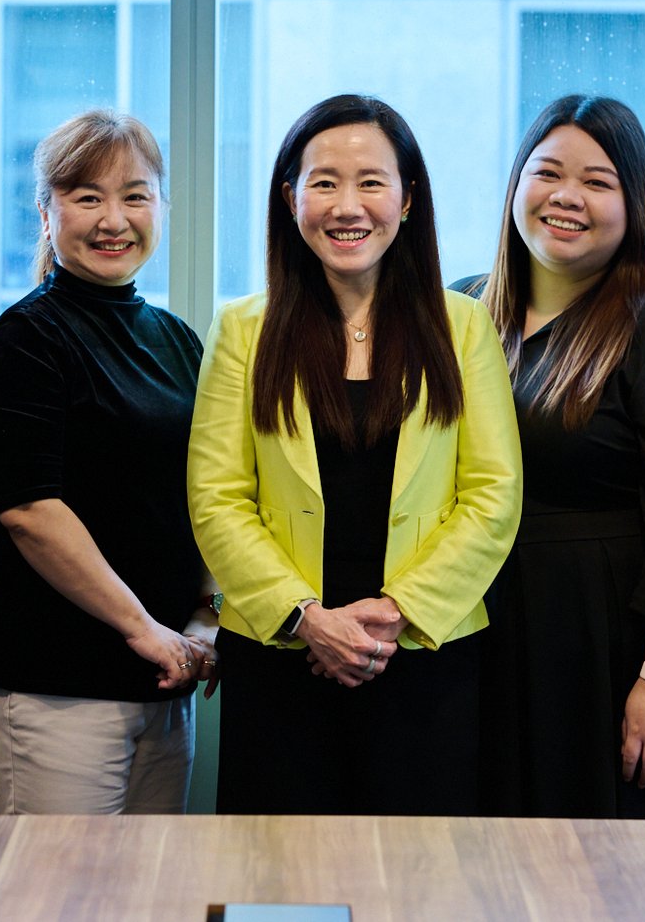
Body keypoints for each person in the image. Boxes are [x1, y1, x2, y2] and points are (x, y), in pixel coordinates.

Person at [187, 94, 523, 814]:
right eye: (324, 181)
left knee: (419, 880)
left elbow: (493, 495)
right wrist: (308, 616)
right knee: (275, 878)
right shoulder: (243, 327)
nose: (348, 204)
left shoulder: (462, 325)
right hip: (282, 654)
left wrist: (394, 614)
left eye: (371, 180)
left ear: (407, 199)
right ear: (290, 197)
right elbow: (216, 497)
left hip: (425, 654)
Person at [460, 95, 645, 819]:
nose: (567, 196)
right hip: (480, 637)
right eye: (548, 172)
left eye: (597, 180)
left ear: (634, 204)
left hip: (605, 645)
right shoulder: (461, 312)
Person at [0, 110, 216, 814]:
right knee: (61, 905)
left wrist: (205, 613)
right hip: (58, 691)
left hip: (166, 683)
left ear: (162, 208)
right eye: (87, 196)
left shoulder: (176, 339)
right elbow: (28, 509)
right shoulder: (27, 337)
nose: (114, 218)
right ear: (47, 214)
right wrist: (143, 628)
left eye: (135, 195)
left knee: (150, 900)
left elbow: (203, 491)